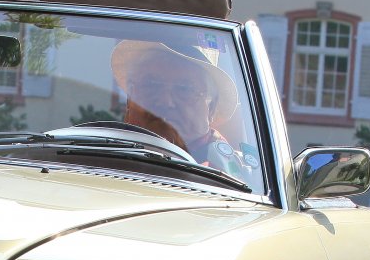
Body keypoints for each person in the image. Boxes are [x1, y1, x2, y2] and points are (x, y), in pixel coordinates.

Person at [110, 39, 260, 184]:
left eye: (185, 89)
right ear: (130, 99)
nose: (166, 101)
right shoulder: (101, 150)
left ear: (211, 108)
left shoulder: (230, 180)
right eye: (151, 85)